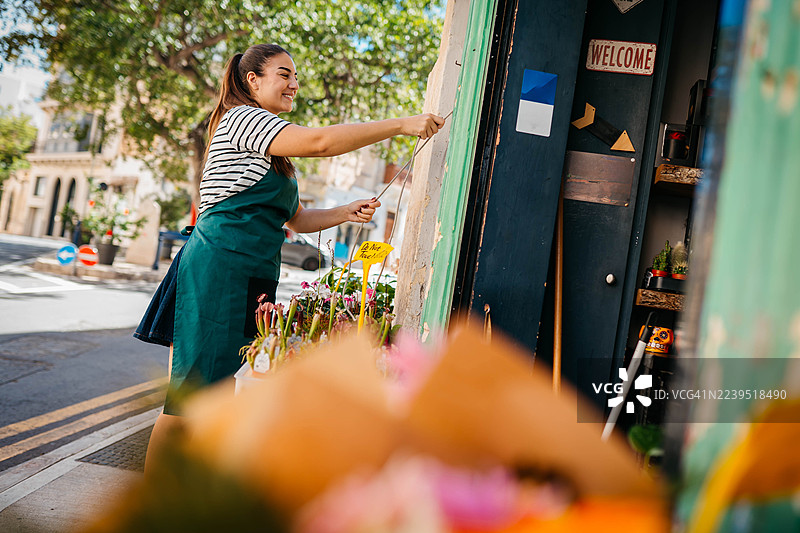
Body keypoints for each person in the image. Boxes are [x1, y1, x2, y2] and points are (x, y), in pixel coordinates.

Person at [134, 43, 444, 472]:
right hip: (219, 269)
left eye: (295, 76)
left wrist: (344, 211)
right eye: (284, 74)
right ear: (252, 80)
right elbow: (318, 141)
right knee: (190, 399)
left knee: (222, 396)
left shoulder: (271, 145)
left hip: (249, 273)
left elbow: (296, 219)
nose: (294, 84)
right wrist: (401, 124)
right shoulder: (245, 118)